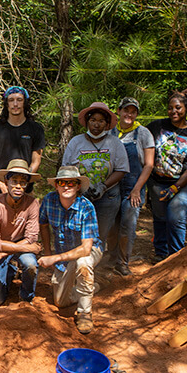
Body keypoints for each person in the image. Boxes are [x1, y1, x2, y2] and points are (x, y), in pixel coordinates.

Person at [38, 166, 102, 334]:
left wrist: (55, 258)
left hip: (89, 250)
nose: (66, 186)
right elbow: (43, 225)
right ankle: (91, 287)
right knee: (60, 301)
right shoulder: (49, 201)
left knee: (84, 262)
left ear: (78, 186)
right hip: (63, 255)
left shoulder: (86, 207)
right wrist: (47, 252)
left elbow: (86, 248)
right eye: (62, 182)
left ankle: (85, 312)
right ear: (56, 185)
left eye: (71, 183)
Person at [61, 102, 128, 262]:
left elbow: (122, 169)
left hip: (108, 197)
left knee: (99, 235)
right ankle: (76, 268)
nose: (96, 124)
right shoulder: (76, 142)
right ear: (87, 121)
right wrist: (79, 187)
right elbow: (66, 168)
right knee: (79, 233)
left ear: (106, 124)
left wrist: (103, 186)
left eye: (101, 121)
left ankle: (91, 272)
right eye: (93, 120)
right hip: (80, 196)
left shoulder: (115, 143)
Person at [146, 89, 187, 261]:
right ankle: (161, 254)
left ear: (186, 108)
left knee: (175, 217)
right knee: (160, 218)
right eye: (171, 108)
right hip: (157, 182)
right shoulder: (157, 126)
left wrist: (175, 187)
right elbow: (141, 138)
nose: (174, 111)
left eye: (178, 108)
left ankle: (176, 257)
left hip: (183, 184)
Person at [0, 159, 41, 305]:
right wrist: (26, 248)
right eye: (14, 181)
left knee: (31, 264)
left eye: (23, 182)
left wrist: (2, 255)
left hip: (10, 248)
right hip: (1, 246)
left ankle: (26, 296)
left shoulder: (33, 203)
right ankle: (10, 269)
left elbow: (31, 237)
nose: (18, 186)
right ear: (6, 181)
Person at [108, 97, 154, 276]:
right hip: (112, 185)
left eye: (133, 111)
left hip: (133, 187)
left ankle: (122, 262)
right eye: (126, 110)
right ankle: (110, 259)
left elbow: (149, 164)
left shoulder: (143, 133)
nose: (129, 114)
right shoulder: (110, 132)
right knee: (111, 225)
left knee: (127, 226)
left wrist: (137, 189)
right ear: (119, 111)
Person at [0, 86, 46, 195]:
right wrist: (3, 186)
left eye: (19, 100)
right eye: (11, 100)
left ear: (25, 103)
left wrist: (23, 182)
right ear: (6, 103)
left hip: (25, 189)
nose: (15, 104)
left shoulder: (36, 129)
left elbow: (36, 161)